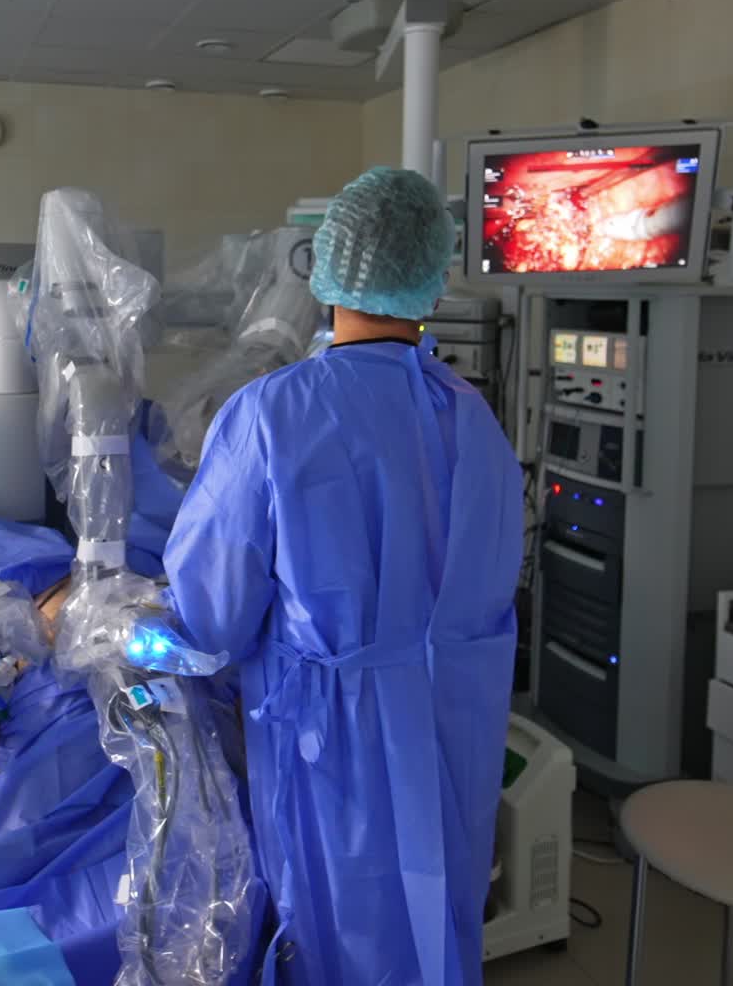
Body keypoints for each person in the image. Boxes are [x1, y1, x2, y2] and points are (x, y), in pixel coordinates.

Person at [162, 167, 523, 986]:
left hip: (333, 744)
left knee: (337, 934)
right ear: (431, 273)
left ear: (327, 269)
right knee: (435, 919)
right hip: (452, 734)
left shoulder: (272, 412)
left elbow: (209, 619)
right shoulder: (474, 417)